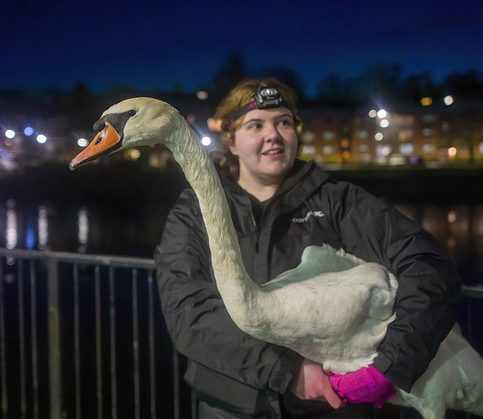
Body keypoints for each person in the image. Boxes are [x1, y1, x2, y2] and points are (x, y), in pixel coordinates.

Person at [154, 78, 461, 418]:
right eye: (255, 125)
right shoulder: (194, 211)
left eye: (284, 122)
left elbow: (428, 266)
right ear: (231, 141)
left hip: (328, 408)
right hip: (228, 404)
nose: (274, 135)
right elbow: (187, 311)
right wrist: (287, 371)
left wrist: (392, 364)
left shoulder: (338, 202)